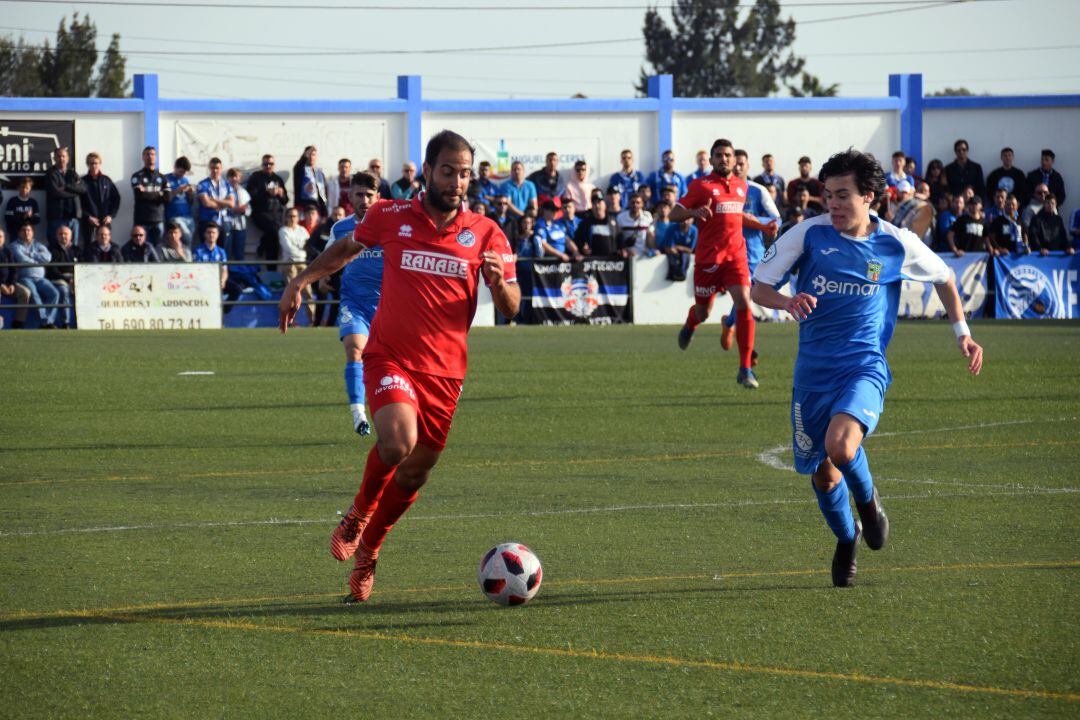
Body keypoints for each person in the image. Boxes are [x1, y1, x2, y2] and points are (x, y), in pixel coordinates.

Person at [278, 130, 520, 603]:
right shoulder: (389, 216)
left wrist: (498, 284)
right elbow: (345, 248)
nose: (456, 182)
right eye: (448, 171)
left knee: (415, 473)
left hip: (446, 374)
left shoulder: (487, 233)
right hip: (389, 355)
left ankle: (369, 550)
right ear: (427, 171)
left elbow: (512, 305)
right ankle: (357, 513)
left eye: (465, 173)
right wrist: (302, 279)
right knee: (397, 442)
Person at [750, 148, 983, 588]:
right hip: (812, 375)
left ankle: (869, 503)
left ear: (869, 197)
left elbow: (945, 279)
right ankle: (847, 537)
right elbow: (759, 288)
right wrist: (788, 300)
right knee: (822, 475)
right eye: (827, 195)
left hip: (864, 368)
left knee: (840, 446)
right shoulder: (807, 235)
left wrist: (962, 334)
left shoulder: (896, 242)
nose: (832, 204)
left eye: (842, 195)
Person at [671, 138, 759, 389]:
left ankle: (745, 369)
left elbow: (737, 216)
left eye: (728, 155)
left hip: (736, 257)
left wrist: (763, 226)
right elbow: (674, 213)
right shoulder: (701, 186)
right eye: (719, 155)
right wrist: (693, 213)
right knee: (704, 312)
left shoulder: (742, 187)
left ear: (735, 159)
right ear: (711, 160)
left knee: (744, 302)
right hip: (709, 259)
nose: (724, 159)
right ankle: (691, 323)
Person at [313, 172, 385, 434]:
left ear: (378, 197)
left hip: (390, 307)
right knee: (355, 349)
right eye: (359, 194)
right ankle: (358, 414)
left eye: (369, 195)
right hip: (354, 303)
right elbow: (330, 258)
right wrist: (323, 278)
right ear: (350, 196)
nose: (364, 200)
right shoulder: (340, 228)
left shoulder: (392, 227)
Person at [720, 149, 780, 355]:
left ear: (747, 166)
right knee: (745, 294)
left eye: (741, 163)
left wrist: (750, 220)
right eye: (734, 163)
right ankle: (746, 347)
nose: (737, 167)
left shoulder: (757, 191)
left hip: (754, 252)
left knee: (748, 294)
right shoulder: (721, 190)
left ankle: (729, 323)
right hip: (730, 250)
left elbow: (776, 219)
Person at [11, 221, 61, 328]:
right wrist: (38, 260)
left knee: (55, 293)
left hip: (40, 279)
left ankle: (47, 321)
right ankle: (46, 323)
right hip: (25, 278)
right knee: (34, 293)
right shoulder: (15, 246)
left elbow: (47, 258)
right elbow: (22, 260)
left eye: (29, 230)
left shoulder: (38, 245)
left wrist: (31, 254)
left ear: (33, 232)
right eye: (23, 230)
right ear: (19, 233)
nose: (26, 232)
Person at [247, 154, 290, 262]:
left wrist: (281, 194)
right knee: (274, 230)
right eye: (266, 164)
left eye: (271, 164)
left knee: (274, 238)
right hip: (260, 213)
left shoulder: (278, 179)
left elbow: (285, 200)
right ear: (262, 165)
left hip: (276, 215)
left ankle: (272, 269)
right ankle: (261, 247)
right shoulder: (256, 177)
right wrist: (267, 192)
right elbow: (250, 197)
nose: (268, 166)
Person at [193, 222, 242, 312]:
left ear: (217, 235)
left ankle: (223, 311)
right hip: (204, 282)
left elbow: (224, 269)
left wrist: (223, 280)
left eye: (213, 232)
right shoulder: (198, 251)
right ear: (205, 234)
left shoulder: (221, 251)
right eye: (208, 232)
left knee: (237, 290)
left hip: (218, 280)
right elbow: (197, 271)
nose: (211, 235)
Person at [45, 146, 85, 250]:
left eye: (63, 156)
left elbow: (83, 189)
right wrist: (74, 192)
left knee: (73, 248)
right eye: (58, 156)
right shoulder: (51, 173)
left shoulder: (72, 173)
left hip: (73, 218)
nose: (61, 158)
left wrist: (67, 187)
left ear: (68, 158)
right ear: (54, 158)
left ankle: (71, 266)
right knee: (56, 247)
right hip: (57, 218)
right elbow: (56, 193)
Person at [279, 208, 314, 324]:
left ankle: (313, 320)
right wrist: (301, 252)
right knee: (292, 292)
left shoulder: (302, 230)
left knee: (308, 292)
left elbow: (308, 246)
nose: (292, 218)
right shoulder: (283, 230)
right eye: (290, 216)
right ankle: (291, 321)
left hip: (302, 263)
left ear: (298, 218)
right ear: (286, 218)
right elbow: (288, 249)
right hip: (290, 263)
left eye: (294, 216)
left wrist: (301, 252)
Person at [80, 152, 121, 247]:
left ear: (100, 164)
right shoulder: (82, 181)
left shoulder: (106, 180)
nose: (94, 165)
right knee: (89, 247)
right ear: (87, 164)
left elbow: (116, 199)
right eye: (91, 163)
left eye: (96, 163)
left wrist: (111, 215)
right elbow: (78, 203)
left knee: (106, 246)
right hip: (89, 222)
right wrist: (88, 217)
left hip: (105, 221)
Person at [130, 146, 169, 247]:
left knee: (158, 247)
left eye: (152, 154)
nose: (150, 156)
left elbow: (167, 198)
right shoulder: (137, 176)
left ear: (156, 157)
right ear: (143, 157)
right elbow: (139, 195)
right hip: (141, 219)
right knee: (140, 246)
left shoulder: (162, 177)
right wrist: (159, 194)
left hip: (158, 219)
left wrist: (146, 192)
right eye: (147, 154)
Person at [0, 228, 34, 329]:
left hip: (8, 284)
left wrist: (11, 284)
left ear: (4, 238)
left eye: (0, 237)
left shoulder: (8, 251)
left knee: (25, 292)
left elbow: (14, 270)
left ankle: (19, 322)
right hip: (0, 285)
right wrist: (1, 285)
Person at [196, 158, 235, 235]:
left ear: (221, 168)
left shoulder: (226, 184)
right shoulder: (202, 184)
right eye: (213, 168)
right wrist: (224, 204)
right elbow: (207, 203)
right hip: (207, 220)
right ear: (209, 168)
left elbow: (231, 204)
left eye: (217, 168)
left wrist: (214, 200)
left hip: (224, 221)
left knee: (224, 247)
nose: (215, 170)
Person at [165, 156, 197, 244]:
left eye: (184, 173)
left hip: (188, 217)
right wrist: (177, 190)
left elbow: (190, 201)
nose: (182, 174)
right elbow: (166, 198)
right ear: (175, 167)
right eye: (181, 171)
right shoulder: (166, 179)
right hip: (174, 217)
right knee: (187, 238)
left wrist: (190, 194)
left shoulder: (185, 180)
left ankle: (186, 256)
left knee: (188, 243)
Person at [659, 215, 697, 281]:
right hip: (669, 253)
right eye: (683, 219)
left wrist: (678, 248)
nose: (685, 222)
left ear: (692, 220)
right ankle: (673, 274)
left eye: (688, 219)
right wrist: (679, 250)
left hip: (683, 253)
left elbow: (691, 250)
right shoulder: (671, 228)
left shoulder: (694, 230)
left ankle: (681, 274)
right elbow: (668, 248)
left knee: (685, 256)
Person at [293, 146, 328, 217]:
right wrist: (304, 156)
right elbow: (299, 165)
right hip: (303, 207)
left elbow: (322, 194)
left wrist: (325, 212)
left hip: (317, 208)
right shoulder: (300, 170)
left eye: (313, 155)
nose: (311, 157)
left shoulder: (319, 172)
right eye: (309, 154)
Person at [615, 193, 654, 257]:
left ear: (642, 204)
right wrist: (625, 249)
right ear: (628, 204)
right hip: (627, 255)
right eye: (632, 202)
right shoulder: (620, 217)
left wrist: (651, 249)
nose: (635, 205)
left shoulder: (647, 216)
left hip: (644, 254)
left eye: (638, 202)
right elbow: (618, 237)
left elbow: (651, 235)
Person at [225, 168, 252, 261]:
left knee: (239, 255)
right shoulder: (223, 191)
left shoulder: (244, 192)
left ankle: (238, 274)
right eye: (231, 176)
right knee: (226, 253)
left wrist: (244, 210)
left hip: (240, 227)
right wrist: (233, 209)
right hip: (227, 225)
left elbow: (249, 210)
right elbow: (220, 207)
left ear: (240, 178)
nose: (234, 179)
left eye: (236, 176)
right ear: (228, 178)